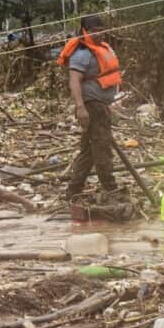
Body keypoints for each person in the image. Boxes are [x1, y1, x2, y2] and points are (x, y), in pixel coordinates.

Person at [59, 14, 121, 201]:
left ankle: (73, 191)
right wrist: (80, 108)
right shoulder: (82, 54)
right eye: (94, 31)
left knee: (88, 151)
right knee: (102, 147)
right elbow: (74, 81)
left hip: (100, 105)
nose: (100, 34)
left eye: (102, 30)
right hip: (91, 106)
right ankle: (111, 190)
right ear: (85, 31)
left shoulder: (101, 49)